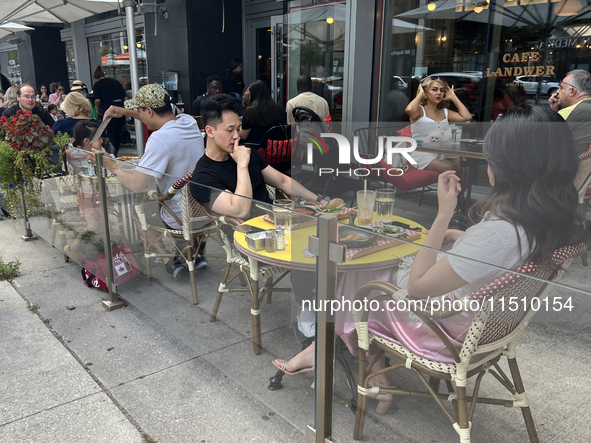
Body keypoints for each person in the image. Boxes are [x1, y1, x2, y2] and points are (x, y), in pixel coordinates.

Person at [272, 105, 586, 414]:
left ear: (509, 167)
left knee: (361, 273)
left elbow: (419, 289)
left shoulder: (497, 232)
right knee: (373, 272)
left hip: (444, 331)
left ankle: (334, 355)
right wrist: (460, 237)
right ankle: (350, 362)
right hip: (490, 327)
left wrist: (443, 214)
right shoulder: (547, 220)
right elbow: (508, 255)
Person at [93, 84, 206, 276]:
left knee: (135, 208)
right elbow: (159, 119)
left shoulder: (160, 139)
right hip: (205, 209)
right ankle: (194, 254)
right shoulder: (189, 121)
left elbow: (136, 184)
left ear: (149, 110)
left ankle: (169, 260)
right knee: (159, 197)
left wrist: (111, 165)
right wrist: (126, 111)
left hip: (179, 216)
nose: (137, 115)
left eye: (139, 110)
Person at [191, 94, 324, 217]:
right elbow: (241, 211)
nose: (236, 136)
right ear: (209, 131)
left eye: (238, 129)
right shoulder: (202, 177)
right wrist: (242, 165)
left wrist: (319, 200)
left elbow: (283, 182)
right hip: (246, 236)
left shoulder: (248, 152)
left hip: (277, 222)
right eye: (230, 130)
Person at [405, 77, 472, 173]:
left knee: (464, 164)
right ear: (426, 93)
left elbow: (466, 117)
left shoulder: (444, 111)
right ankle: (447, 188)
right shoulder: (419, 110)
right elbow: (409, 110)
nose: (439, 93)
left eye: (442, 90)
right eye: (434, 89)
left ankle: (458, 188)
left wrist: (453, 97)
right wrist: (420, 94)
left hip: (442, 151)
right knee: (447, 167)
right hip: (421, 151)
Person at [548, 69, 591, 155]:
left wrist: (553, 114)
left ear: (572, 91)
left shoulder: (568, 113)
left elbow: (546, 141)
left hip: (574, 165)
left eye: (561, 88)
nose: (557, 92)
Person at [92, 66, 127, 156]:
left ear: (95, 78)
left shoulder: (97, 85)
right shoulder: (115, 82)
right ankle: (116, 150)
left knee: (110, 132)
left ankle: (113, 153)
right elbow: (125, 97)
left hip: (108, 109)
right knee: (118, 131)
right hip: (120, 108)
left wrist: (98, 108)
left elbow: (98, 100)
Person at [240, 81, 287, 147]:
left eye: (249, 95)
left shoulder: (250, 111)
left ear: (253, 95)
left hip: (257, 150)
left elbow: (243, 136)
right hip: (279, 150)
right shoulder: (280, 109)